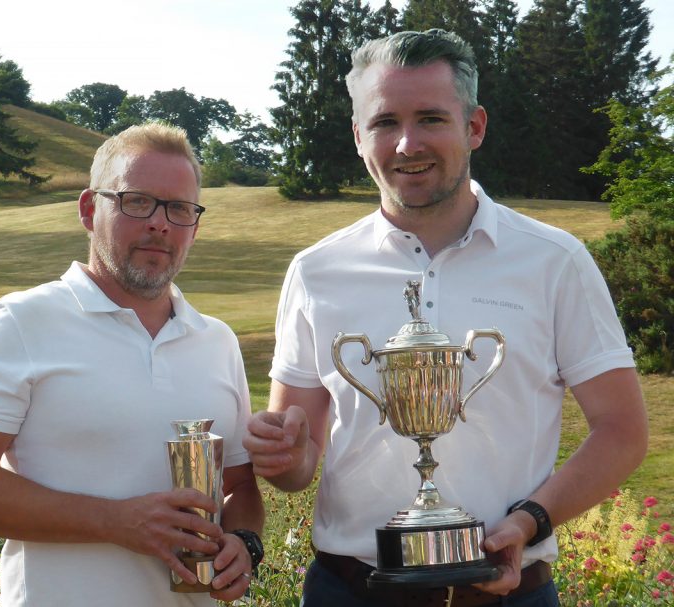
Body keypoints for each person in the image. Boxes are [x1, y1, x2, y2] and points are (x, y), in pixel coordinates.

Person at [243, 29, 647, 607]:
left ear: (474, 127)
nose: (407, 144)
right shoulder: (316, 271)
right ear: (359, 137)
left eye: (431, 118)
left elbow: (623, 432)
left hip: (510, 593)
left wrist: (531, 520)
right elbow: (297, 463)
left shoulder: (554, 261)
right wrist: (281, 455)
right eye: (385, 122)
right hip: (350, 591)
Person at [0, 122, 264, 606]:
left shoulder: (218, 342)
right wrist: (116, 522)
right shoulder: (22, 321)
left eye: (180, 209)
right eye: (138, 201)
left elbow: (238, 486)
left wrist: (244, 544)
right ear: (89, 209)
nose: (160, 224)